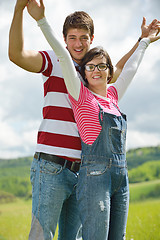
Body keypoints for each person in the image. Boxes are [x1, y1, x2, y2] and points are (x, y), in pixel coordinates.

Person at [8, 0, 160, 239]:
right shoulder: (54, 60)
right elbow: (16, 55)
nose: (78, 44)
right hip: (51, 165)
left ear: (92, 38)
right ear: (64, 39)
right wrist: (18, 11)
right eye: (72, 37)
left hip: (85, 173)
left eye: (84, 37)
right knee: (41, 235)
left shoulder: (94, 73)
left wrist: (142, 40)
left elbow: (120, 69)